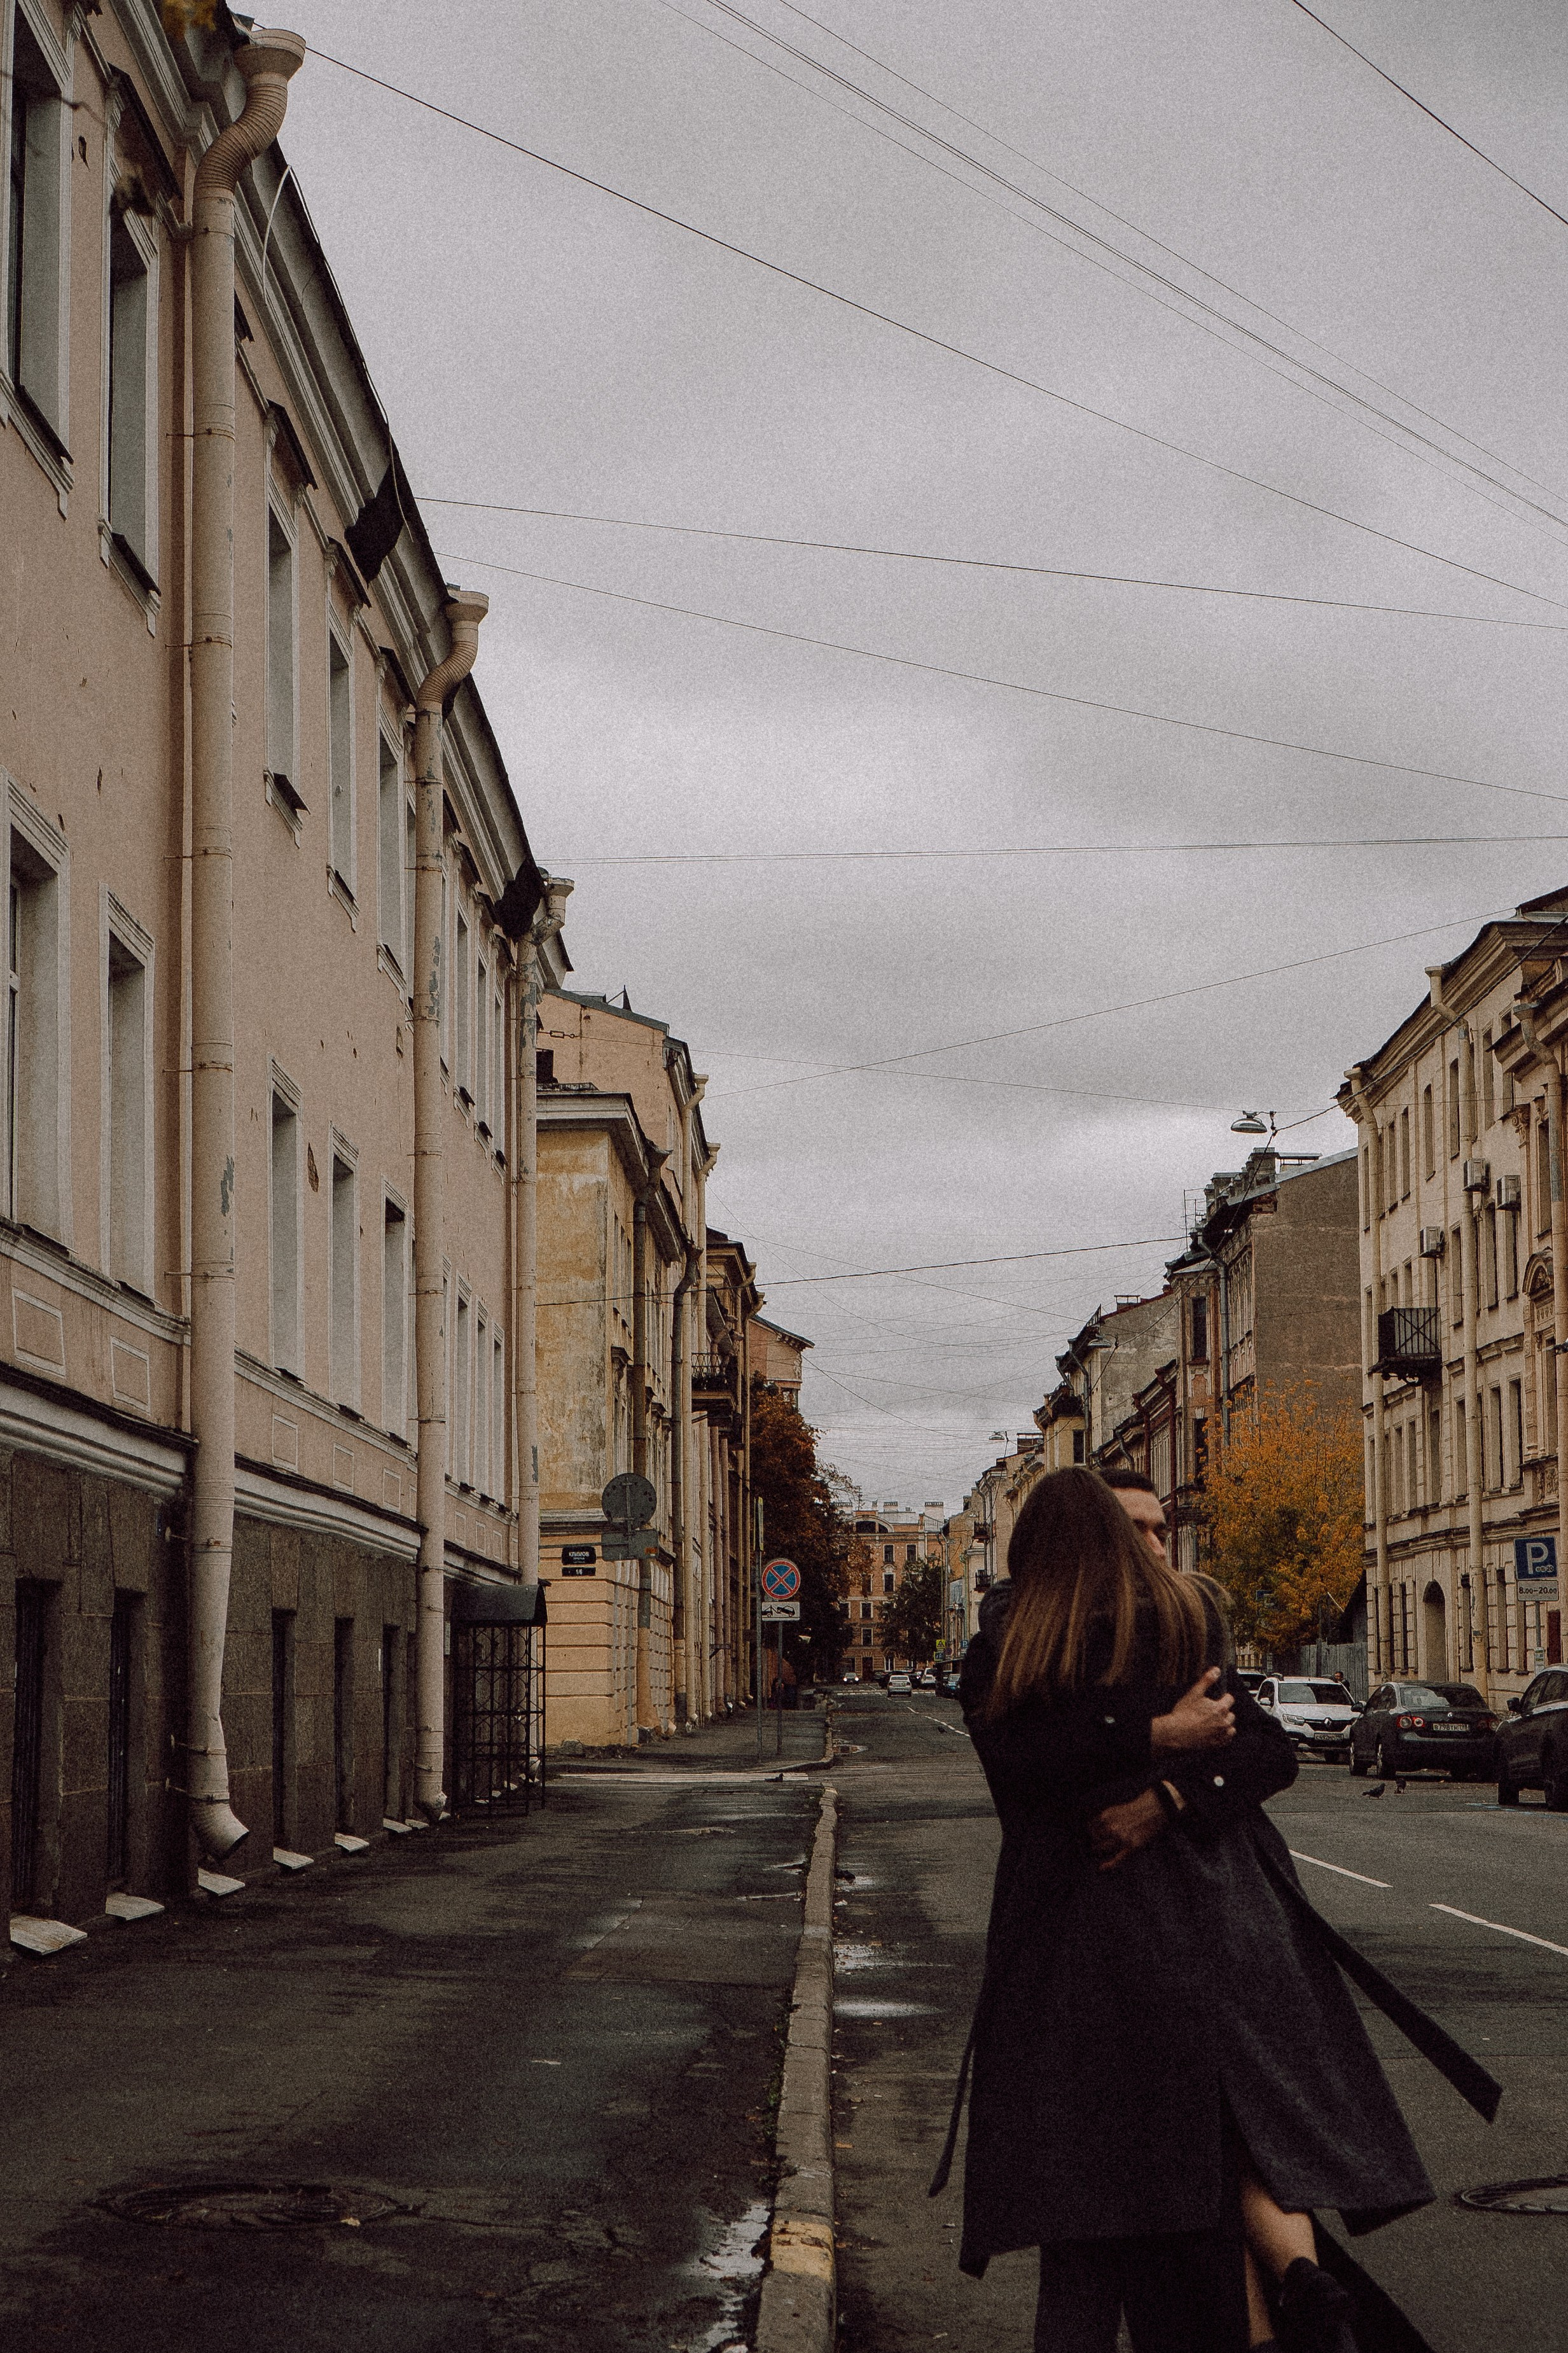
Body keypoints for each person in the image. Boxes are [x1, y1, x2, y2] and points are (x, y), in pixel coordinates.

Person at [941, 1465, 1495, 2353]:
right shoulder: (1064, 1635)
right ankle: (1294, 2280)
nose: (1151, 1547)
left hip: (1105, 1958)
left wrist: (1159, 1799)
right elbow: (1031, 1755)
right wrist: (1162, 1741)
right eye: (1136, 1529)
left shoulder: (1120, 1629)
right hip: (1159, 1946)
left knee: (1110, 2210)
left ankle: (1288, 2292)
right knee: (1219, 2158)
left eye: (1161, 1528)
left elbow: (1261, 1748)